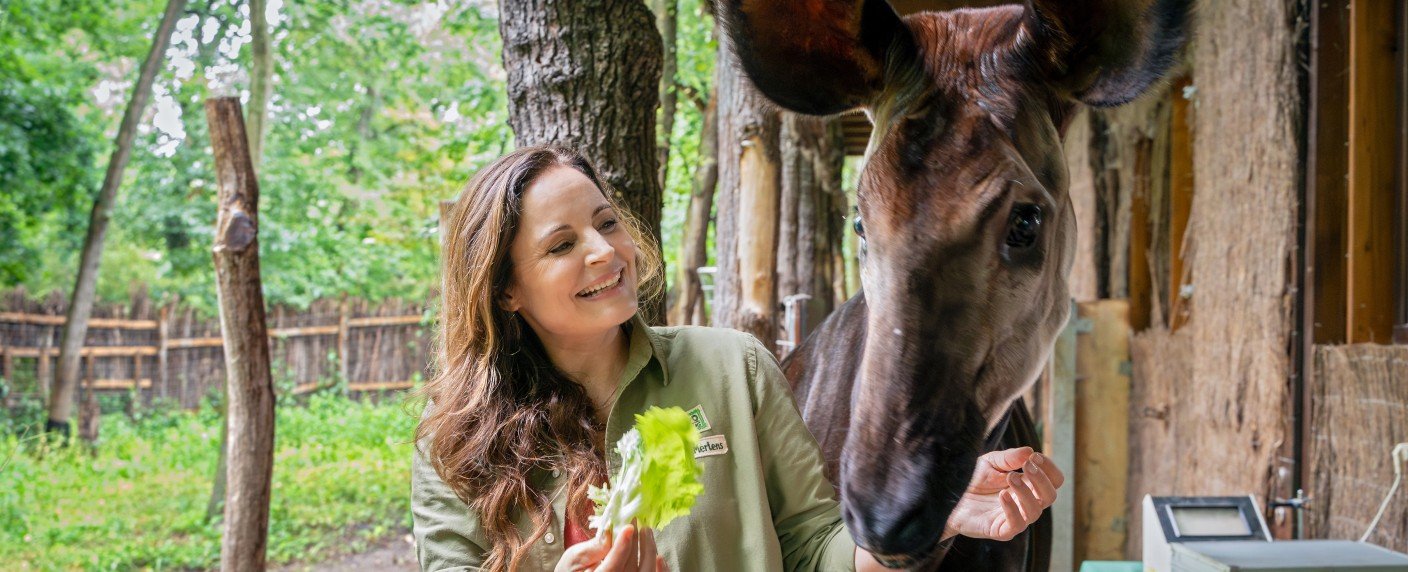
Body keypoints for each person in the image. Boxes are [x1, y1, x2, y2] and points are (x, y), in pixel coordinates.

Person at [412, 145, 1064, 571]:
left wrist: (934, 516)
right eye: (561, 245)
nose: (605, 252)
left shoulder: (732, 370)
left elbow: (814, 550)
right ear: (505, 289)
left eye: (606, 222)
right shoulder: (455, 442)